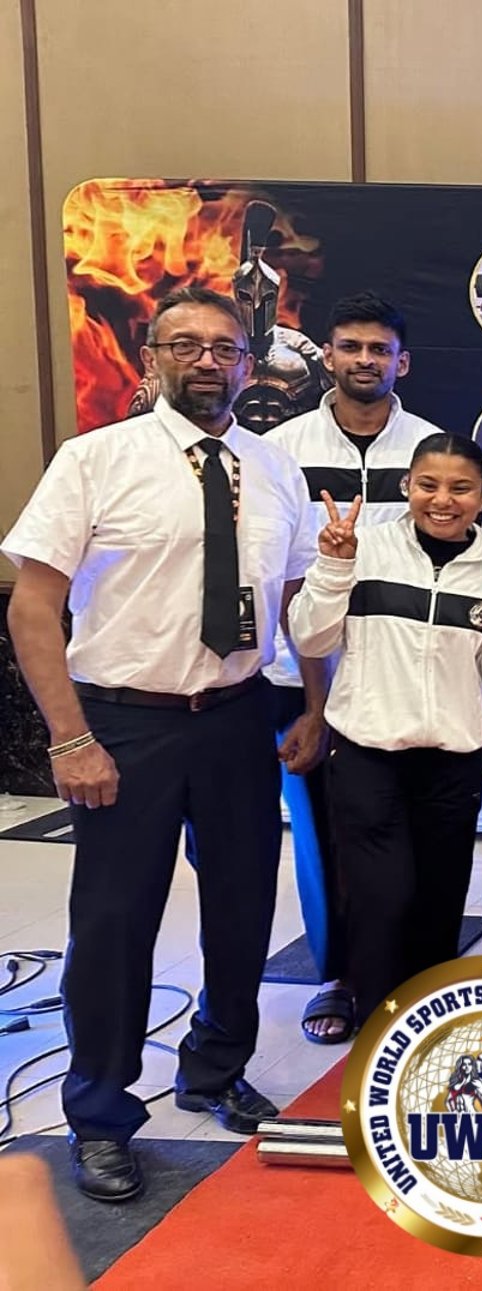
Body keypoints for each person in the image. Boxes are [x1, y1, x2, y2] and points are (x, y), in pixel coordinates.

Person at [4, 286, 317, 1201]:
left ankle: (216, 1067)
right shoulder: (93, 459)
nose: (207, 361)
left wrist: (313, 705)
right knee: (114, 924)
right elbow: (34, 606)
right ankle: (101, 1113)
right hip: (126, 720)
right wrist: (70, 739)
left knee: (242, 907)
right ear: (151, 359)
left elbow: (294, 601)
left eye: (224, 347)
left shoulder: (276, 469)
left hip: (238, 713)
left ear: (247, 365)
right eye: (186, 345)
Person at [287, 434, 482, 1027]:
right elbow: (310, 637)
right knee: (380, 902)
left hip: (451, 766)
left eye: (461, 488)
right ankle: (378, 1030)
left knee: (438, 906)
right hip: (367, 758)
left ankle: (427, 1031)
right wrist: (333, 568)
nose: (443, 500)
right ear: (408, 486)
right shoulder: (363, 549)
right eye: (428, 485)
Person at [264, 290, 443, 1046]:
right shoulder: (282, 449)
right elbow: (278, 574)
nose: (365, 361)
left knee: (413, 836)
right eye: (351, 347)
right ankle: (338, 973)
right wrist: (314, 703)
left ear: (403, 362)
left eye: (380, 350)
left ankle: (417, 976)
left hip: (405, 680)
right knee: (325, 838)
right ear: (328, 356)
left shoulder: (433, 447)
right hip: (305, 677)